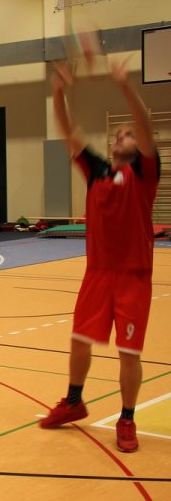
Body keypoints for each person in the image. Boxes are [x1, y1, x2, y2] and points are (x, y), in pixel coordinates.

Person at [40, 59, 160, 453]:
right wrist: (58, 92)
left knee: (129, 353)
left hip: (133, 277)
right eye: (118, 134)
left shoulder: (145, 173)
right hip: (97, 274)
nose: (121, 135)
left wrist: (125, 86)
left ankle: (127, 419)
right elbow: (69, 131)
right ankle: (74, 401)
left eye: (128, 134)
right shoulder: (97, 171)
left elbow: (145, 126)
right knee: (79, 341)